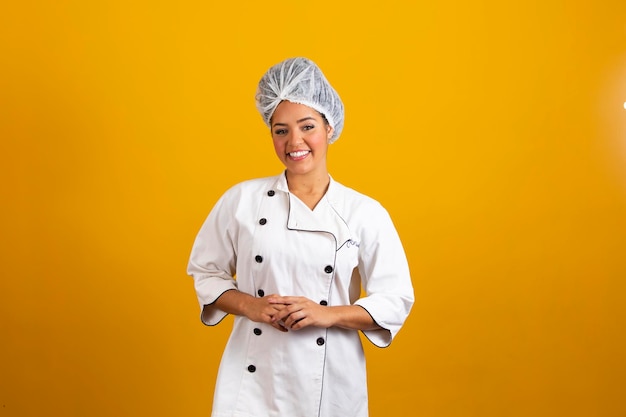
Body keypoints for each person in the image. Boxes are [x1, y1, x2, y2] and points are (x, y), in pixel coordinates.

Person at [187, 57, 414, 417]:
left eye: (307, 126)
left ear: (329, 126)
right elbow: (205, 271)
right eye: (281, 130)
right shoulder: (241, 200)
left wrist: (326, 314)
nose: (295, 141)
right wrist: (252, 306)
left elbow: (396, 299)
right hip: (252, 386)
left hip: (331, 381)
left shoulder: (364, 212)